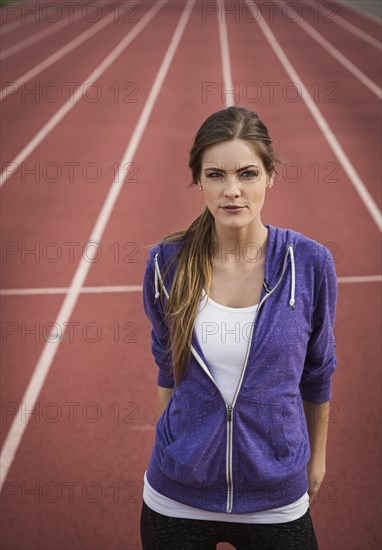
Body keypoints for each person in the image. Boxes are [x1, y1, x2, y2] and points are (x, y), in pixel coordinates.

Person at [139, 106, 338, 549]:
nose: (232, 191)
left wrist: (316, 459)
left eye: (247, 174)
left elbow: (318, 371)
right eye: (215, 175)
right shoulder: (165, 264)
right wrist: (181, 449)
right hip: (176, 499)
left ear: (270, 176)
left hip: (276, 496)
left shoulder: (309, 264)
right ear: (199, 180)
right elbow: (167, 368)